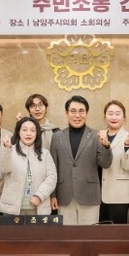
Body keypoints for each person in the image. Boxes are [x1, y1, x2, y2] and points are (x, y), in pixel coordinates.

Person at [50, 95, 113, 225]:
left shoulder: (96, 135)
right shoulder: (57, 137)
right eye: (73, 111)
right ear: (66, 113)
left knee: (89, 234)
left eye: (81, 111)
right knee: (67, 235)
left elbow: (105, 164)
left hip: (89, 195)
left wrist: (106, 146)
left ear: (87, 113)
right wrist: (53, 195)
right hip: (64, 195)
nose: (77, 115)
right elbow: (53, 168)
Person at [0, 117, 57, 216]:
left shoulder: (45, 154)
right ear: (18, 132)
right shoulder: (10, 150)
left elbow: (52, 178)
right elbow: (3, 169)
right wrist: (7, 149)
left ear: (37, 133)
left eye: (32, 130)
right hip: (13, 209)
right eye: (24, 130)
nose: (28, 134)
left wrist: (40, 196)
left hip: (38, 208)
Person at [99, 100, 129, 224]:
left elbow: (128, 165)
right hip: (98, 195)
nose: (114, 117)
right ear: (105, 117)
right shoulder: (99, 136)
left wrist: (126, 145)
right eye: (110, 113)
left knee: (117, 232)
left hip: (119, 195)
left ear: (124, 117)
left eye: (118, 114)